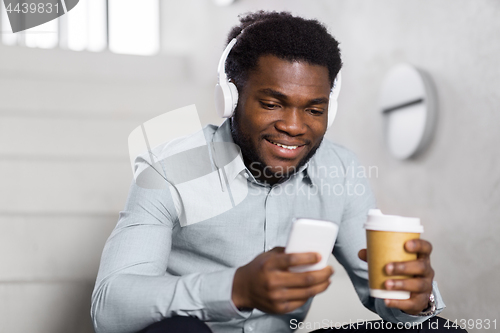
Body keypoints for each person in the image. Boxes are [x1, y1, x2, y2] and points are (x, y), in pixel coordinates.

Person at [91, 11, 466, 333]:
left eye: (314, 110)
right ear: (231, 98)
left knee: (435, 329)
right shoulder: (167, 168)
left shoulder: (342, 170)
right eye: (272, 103)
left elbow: (385, 297)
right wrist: (235, 288)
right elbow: (110, 307)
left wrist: (413, 299)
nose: (293, 126)